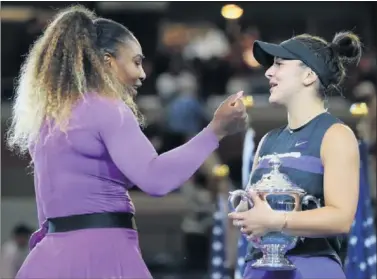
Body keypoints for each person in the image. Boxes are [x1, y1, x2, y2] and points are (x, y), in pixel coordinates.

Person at [6, 6, 248, 279]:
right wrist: (215, 130)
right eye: (135, 61)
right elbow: (156, 179)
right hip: (102, 254)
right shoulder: (107, 108)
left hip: (47, 259)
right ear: (108, 62)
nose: (143, 73)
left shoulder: (48, 118)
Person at [228, 31, 362, 279]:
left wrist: (276, 221)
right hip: (258, 267)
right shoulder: (268, 141)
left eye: (279, 64)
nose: (269, 72)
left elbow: (341, 218)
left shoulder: (336, 135)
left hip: (312, 268)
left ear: (309, 75)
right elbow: (253, 212)